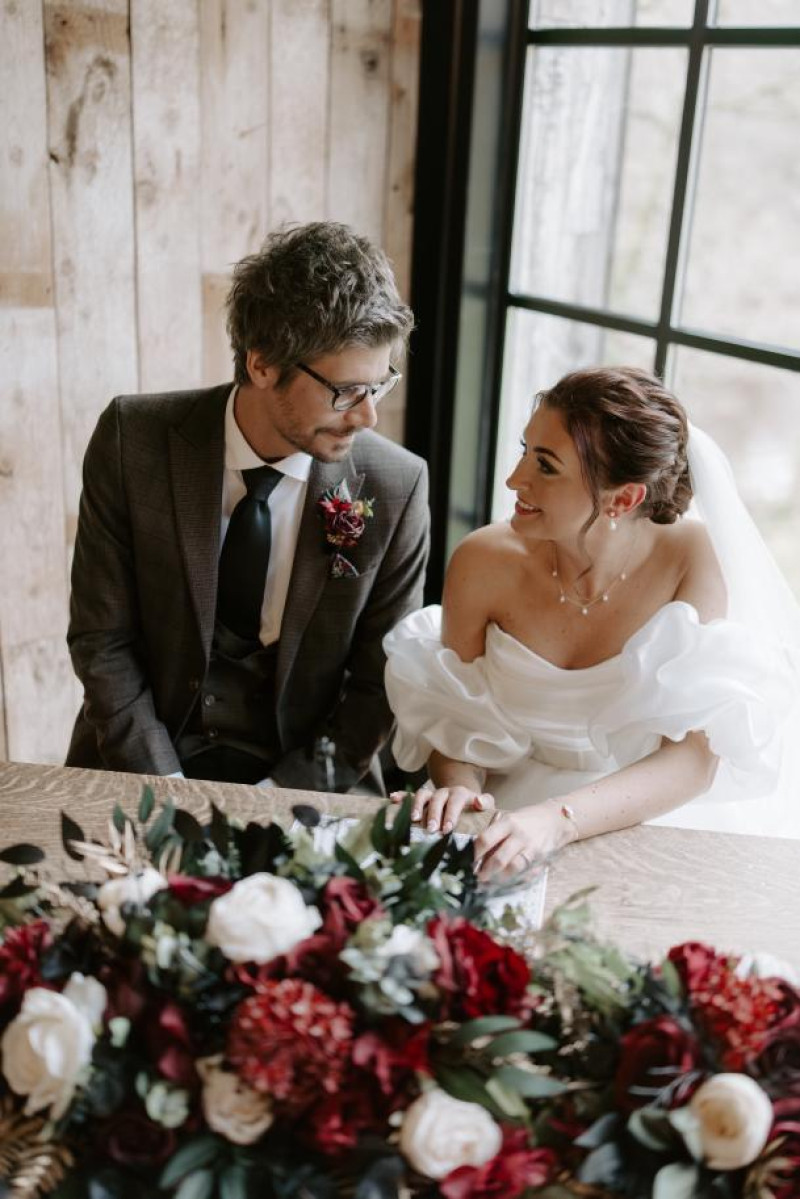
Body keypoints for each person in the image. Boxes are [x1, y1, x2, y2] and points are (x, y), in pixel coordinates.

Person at [384, 366, 800, 875]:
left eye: (547, 465)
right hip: (507, 818)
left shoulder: (692, 560)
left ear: (623, 499)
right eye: (523, 450)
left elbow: (692, 760)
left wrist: (559, 819)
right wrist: (460, 791)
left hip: (636, 814)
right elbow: (457, 724)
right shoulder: (482, 561)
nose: (515, 479)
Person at [66, 222, 429, 793]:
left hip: (309, 778)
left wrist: (274, 804)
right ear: (262, 365)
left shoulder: (396, 487)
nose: (367, 417)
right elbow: (101, 641)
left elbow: (379, 684)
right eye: (346, 392)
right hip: (141, 759)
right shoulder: (130, 439)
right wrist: (165, 789)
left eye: (378, 386)